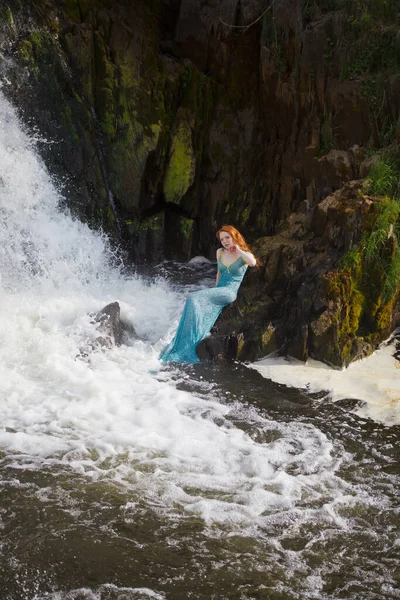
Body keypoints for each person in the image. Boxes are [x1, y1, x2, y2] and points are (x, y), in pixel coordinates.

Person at [159, 225, 257, 364]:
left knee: (193, 298)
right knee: (194, 301)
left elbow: (253, 263)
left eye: (227, 237)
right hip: (218, 290)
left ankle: (194, 337)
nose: (225, 241)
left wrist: (238, 249)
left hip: (229, 292)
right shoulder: (220, 252)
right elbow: (219, 273)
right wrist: (213, 292)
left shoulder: (243, 255)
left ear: (235, 236)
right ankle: (191, 336)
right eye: (222, 239)